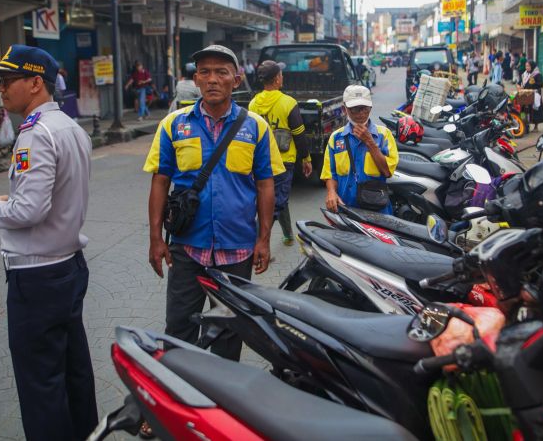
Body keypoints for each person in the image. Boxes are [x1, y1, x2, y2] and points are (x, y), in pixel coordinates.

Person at [0, 44, 97, 440]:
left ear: (35, 83)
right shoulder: (70, 128)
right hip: (67, 266)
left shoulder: (36, 133)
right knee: (73, 370)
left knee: (41, 383)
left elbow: (28, 210)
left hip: (38, 275)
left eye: (8, 80)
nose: (1, 89)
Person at [145, 44, 285, 360]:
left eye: (221, 72)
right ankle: (180, 395)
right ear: (196, 80)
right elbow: (160, 181)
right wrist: (155, 239)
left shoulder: (256, 127)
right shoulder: (173, 124)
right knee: (179, 328)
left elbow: (265, 185)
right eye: (205, 72)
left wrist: (263, 240)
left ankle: (222, 398)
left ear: (236, 80)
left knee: (229, 331)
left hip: (237, 249)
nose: (212, 80)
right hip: (187, 249)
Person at [249, 60, 313, 246]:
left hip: (261, 160)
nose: (282, 77)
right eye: (281, 74)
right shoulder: (288, 103)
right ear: (277, 79)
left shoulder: (253, 104)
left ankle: (287, 235)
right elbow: (299, 134)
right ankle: (258, 243)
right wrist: (306, 158)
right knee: (276, 202)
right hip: (284, 161)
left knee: (279, 198)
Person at [322, 85, 398, 215]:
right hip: (345, 209)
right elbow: (330, 174)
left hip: (378, 210)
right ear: (345, 108)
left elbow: (387, 171)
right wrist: (331, 192)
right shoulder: (336, 138)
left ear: (370, 107)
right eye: (354, 109)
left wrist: (369, 141)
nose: (361, 114)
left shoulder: (384, 135)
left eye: (364, 109)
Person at [518, 60, 543, 132]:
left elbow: (541, 84)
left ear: (532, 66)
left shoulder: (537, 74)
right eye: (526, 66)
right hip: (524, 95)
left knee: (535, 110)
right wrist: (519, 86)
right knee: (523, 110)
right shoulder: (524, 74)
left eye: (528, 66)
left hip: (534, 94)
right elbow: (519, 83)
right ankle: (523, 123)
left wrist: (533, 85)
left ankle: (536, 126)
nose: (527, 68)